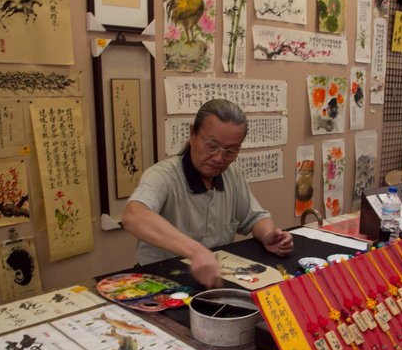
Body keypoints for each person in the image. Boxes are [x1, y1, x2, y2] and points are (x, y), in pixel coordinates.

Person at [122, 99, 294, 289]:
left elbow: (256, 217)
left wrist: (268, 235)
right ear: (192, 134)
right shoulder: (163, 176)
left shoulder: (230, 175)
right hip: (162, 282)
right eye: (212, 146)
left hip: (212, 284)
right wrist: (196, 251)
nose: (219, 158)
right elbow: (133, 216)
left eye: (230, 151)